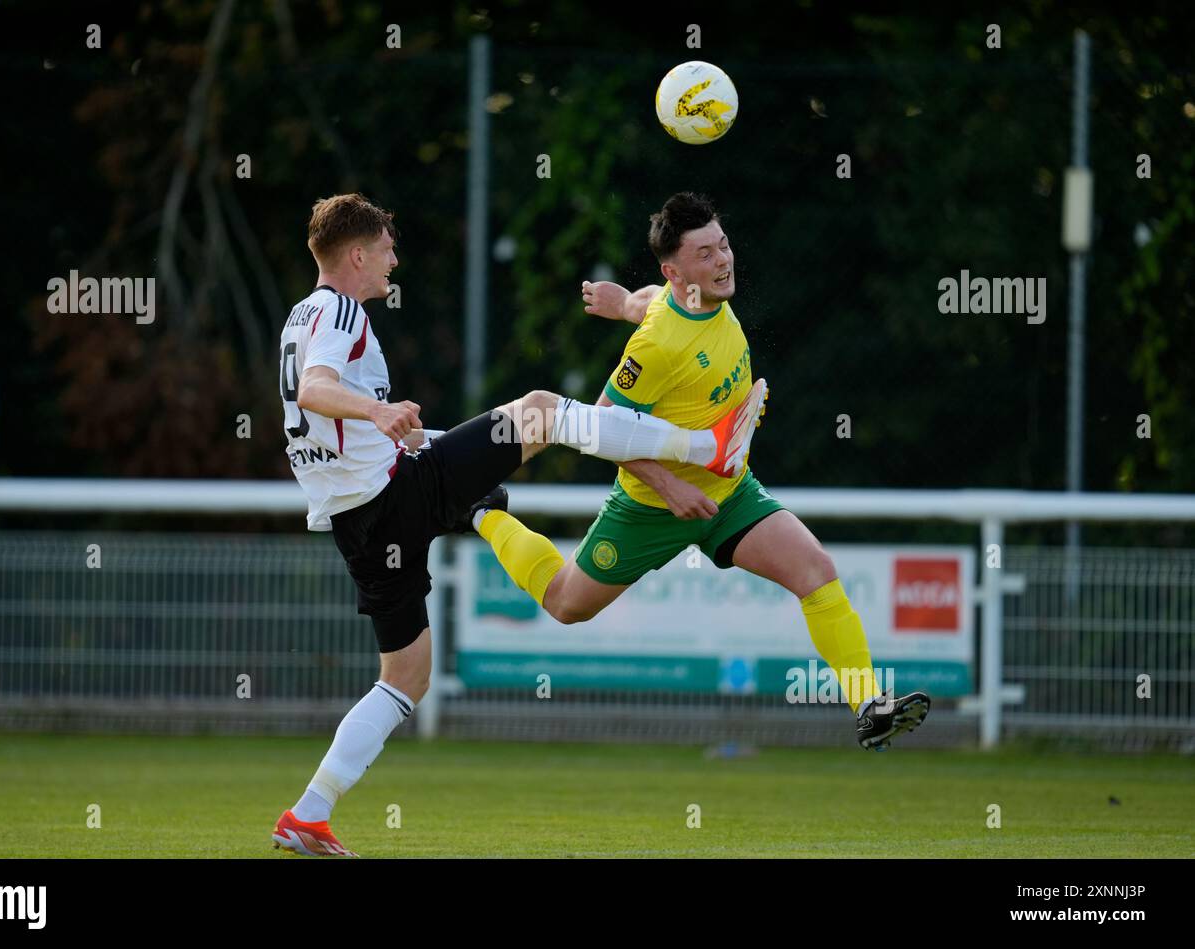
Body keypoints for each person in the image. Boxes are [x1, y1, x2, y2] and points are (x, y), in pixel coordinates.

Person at [271, 193, 765, 857]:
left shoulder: (301, 315)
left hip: (359, 519)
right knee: (540, 409)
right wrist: (377, 412)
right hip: (392, 496)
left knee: (406, 678)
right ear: (356, 255)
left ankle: (308, 813)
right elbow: (315, 390)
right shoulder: (337, 307)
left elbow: (322, 414)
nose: (394, 258)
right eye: (386, 248)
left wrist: (401, 431)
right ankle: (708, 448)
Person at [474, 192, 930, 756]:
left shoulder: (698, 297)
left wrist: (622, 305)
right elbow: (597, 427)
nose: (724, 261)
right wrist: (669, 486)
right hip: (650, 509)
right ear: (675, 269)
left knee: (816, 570)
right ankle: (486, 512)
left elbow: (654, 303)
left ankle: (868, 705)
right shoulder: (658, 347)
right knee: (566, 604)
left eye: (725, 245)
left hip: (731, 495)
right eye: (707, 253)